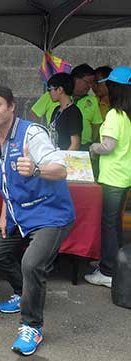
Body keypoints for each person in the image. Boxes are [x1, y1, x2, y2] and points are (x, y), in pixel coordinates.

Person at [0, 84, 75, 356]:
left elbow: (61, 169)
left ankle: (32, 326)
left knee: (32, 263)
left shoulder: (31, 133)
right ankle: (24, 294)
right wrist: (2, 216)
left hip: (51, 215)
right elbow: (8, 185)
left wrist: (35, 169)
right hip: (20, 216)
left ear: (11, 106)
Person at [84, 66, 131, 288]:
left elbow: (108, 146)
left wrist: (93, 147)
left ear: (114, 89)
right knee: (115, 225)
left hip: (112, 178)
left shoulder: (115, 114)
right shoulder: (128, 115)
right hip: (123, 176)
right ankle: (113, 263)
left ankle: (108, 271)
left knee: (109, 225)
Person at [46, 73, 83, 150]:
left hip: (65, 158)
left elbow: (75, 144)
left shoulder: (73, 112)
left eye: (50, 89)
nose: (49, 93)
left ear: (60, 90)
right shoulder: (56, 110)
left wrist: (63, 160)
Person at [71, 64, 103, 150]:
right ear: (75, 79)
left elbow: (96, 126)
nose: (89, 86)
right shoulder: (59, 96)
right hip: (62, 144)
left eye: (91, 83)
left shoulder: (92, 100)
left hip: (84, 146)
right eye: (87, 82)